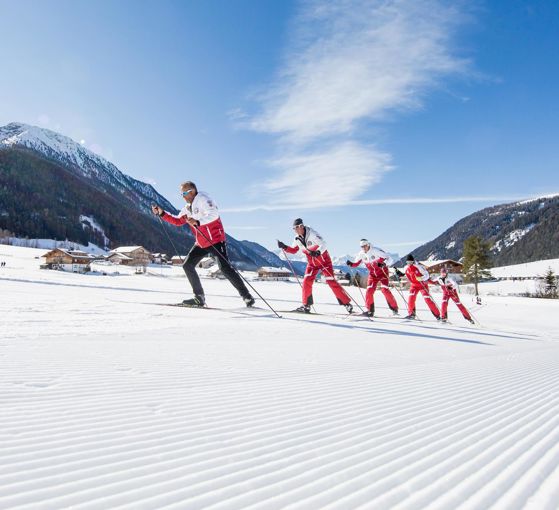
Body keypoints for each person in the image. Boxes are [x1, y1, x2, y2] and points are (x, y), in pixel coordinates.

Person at [151, 181, 254, 308]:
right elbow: (177, 221)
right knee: (187, 265)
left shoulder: (204, 199)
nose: (182, 196)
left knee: (225, 268)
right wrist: (162, 213)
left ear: (192, 191)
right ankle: (199, 297)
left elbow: (214, 215)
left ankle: (247, 296)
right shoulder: (187, 208)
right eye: (181, 193)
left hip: (215, 240)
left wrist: (198, 222)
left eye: (184, 192)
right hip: (201, 242)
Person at [278, 218, 353, 313]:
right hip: (312, 264)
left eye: (297, 227)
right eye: (294, 228)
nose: (295, 230)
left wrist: (318, 252)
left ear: (302, 226)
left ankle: (347, 304)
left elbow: (324, 244)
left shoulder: (312, 233)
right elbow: (294, 250)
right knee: (306, 281)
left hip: (324, 261)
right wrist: (284, 246)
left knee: (331, 281)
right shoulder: (297, 238)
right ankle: (306, 305)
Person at [346, 239, 398, 317]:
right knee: (369, 290)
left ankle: (394, 309)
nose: (364, 248)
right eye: (362, 246)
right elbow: (356, 263)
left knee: (385, 290)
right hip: (373, 275)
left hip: (382, 273)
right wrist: (351, 264)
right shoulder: (361, 254)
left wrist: (384, 264)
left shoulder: (376, 250)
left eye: (365, 246)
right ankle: (370, 311)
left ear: (368, 244)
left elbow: (389, 258)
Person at [395, 254, 440, 320]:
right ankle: (411, 314)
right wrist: (399, 274)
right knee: (411, 299)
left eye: (410, 262)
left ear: (413, 261)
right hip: (414, 286)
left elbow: (427, 275)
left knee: (428, 300)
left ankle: (438, 316)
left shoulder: (419, 266)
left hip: (422, 285)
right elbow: (404, 274)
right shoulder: (406, 268)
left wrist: (421, 278)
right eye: (407, 262)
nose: (409, 263)